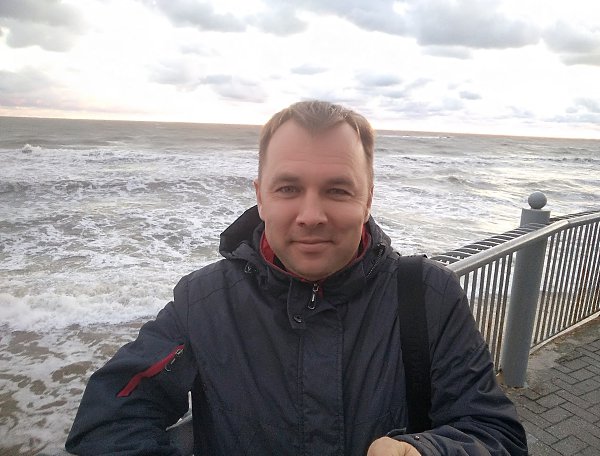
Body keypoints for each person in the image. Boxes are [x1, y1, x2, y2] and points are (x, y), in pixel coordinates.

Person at [66, 100, 528, 455]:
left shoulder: (427, 295)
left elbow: (496, 434)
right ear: (261, 196)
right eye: (288, 188)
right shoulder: (204, 301)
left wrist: (428, 451)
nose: (311, 215)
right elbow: (110, 420)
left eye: (337, 190)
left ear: (367, 198)